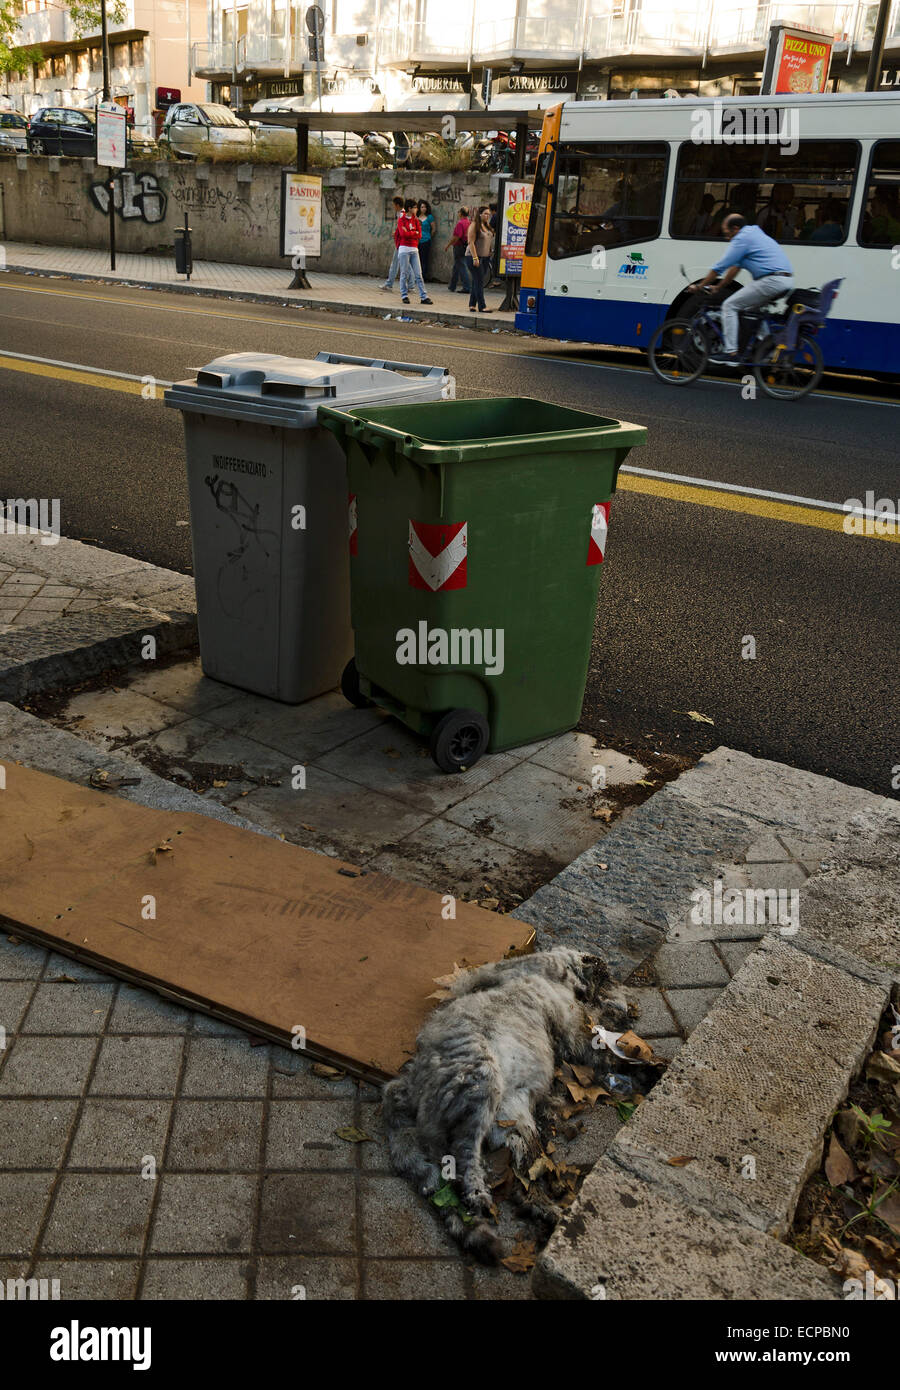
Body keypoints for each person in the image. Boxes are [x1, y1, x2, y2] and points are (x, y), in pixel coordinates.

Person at [688, 213, 794, 363]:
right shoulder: (753, 234)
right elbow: (735, 268)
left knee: (729, 306)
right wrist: (719, 287)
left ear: (735, 229)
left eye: (727, 233)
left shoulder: (742, 239)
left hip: (772, 280)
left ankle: (731, 353)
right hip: (783, 280)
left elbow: (719, 268)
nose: (726, 238)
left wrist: (700, 286)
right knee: (752, 311)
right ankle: (767, 349)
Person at [397, 198, 433, 306]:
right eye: (415, 207)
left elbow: (420, 235)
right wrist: (414, 232)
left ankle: (424, 296)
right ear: (409, 208)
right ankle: (404, 295)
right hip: (404, 249)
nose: (416, 209)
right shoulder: (401, 220)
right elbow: (403, 234)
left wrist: (411, 232)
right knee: (404, 273)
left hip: (414, 249)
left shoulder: (416, 220)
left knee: (418, 274)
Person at [466, 205, 494, 313]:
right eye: (485, 214)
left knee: (476, 281)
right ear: (480, 214)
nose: (487, 216)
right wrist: (475, 258)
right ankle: (482, 306)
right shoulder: (474, 225)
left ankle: (472, 304)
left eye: (489, 214)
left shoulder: (486, 226)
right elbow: (471, 242)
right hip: (474, 257)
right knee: (479, 282)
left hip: (485, 257)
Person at [380, 195, 405, 291]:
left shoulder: (402, 214)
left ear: (397, 205)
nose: (393, 207)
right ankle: (410, 285)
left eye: (394, 205)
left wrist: (396, 233)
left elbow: (403, 228)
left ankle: (389, 283)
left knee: (395, 263)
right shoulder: (400, 213)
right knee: (408, 264)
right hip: (401, 242)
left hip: (401, 243)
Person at [446, 205, 472, 293]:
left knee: (461, 266)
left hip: (459, 247)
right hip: (465, 246)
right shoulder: (469, 222)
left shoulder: (460, 223)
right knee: (457, 266)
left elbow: (456, 237)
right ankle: (452, 286)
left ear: (460, 213)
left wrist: (448, 245)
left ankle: (467, 287)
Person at [417, 199, 436, 280]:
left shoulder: (429, 217)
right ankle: (416, 276)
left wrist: (429, 237)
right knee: (417, 259)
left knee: (424, 259)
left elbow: (434, 229)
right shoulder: (416, 217)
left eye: (425, 207)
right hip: (416, 241)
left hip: (426, 241)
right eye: (422, 207)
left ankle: (423, 276)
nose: (424, 208)